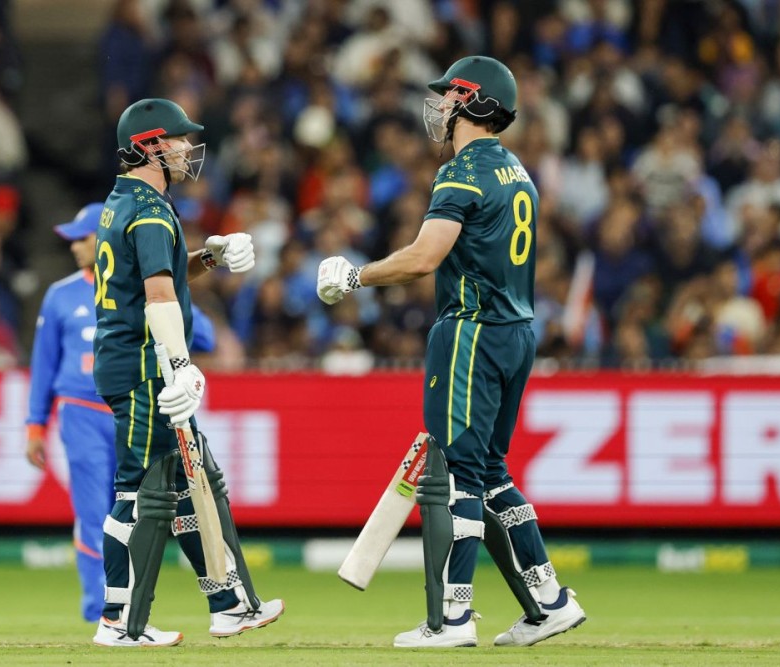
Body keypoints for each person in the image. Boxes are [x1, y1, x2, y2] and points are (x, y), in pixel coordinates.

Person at [317, 56, 587, 648]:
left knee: (463, 475)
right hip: (516, 332)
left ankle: (455, 619)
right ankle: (549, 599)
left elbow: (422, 257)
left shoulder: (462, 173)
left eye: (448, 98)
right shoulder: (518, 171)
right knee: (492, 472)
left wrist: (356, 277)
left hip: (471, 330)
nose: (439, 108)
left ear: (473, 103)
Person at [90, 98, 284, 647]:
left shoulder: (127, 200)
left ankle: (226, 603)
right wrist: (179, 367)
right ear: (150, 145)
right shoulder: (150, 209)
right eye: (176, 140)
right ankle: (117, 621)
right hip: (143, 368)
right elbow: (156, 297)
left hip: (131, 360)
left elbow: (160, 274)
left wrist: (211, 255)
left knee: (188, 483)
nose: (186, 150)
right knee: (136, 491)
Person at [24, 202, 217, 623]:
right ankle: (103, 607)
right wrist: (34, 424)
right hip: (80, 412)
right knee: (94, 510)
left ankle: (130, 602)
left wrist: (170, 300)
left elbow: (204, 333)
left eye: (83, 237)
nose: (76, 247)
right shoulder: (61, 295)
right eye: (73, 240)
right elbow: (43, 364)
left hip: (136, 408)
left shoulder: (138, 289)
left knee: (135, 508)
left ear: (107, 238)